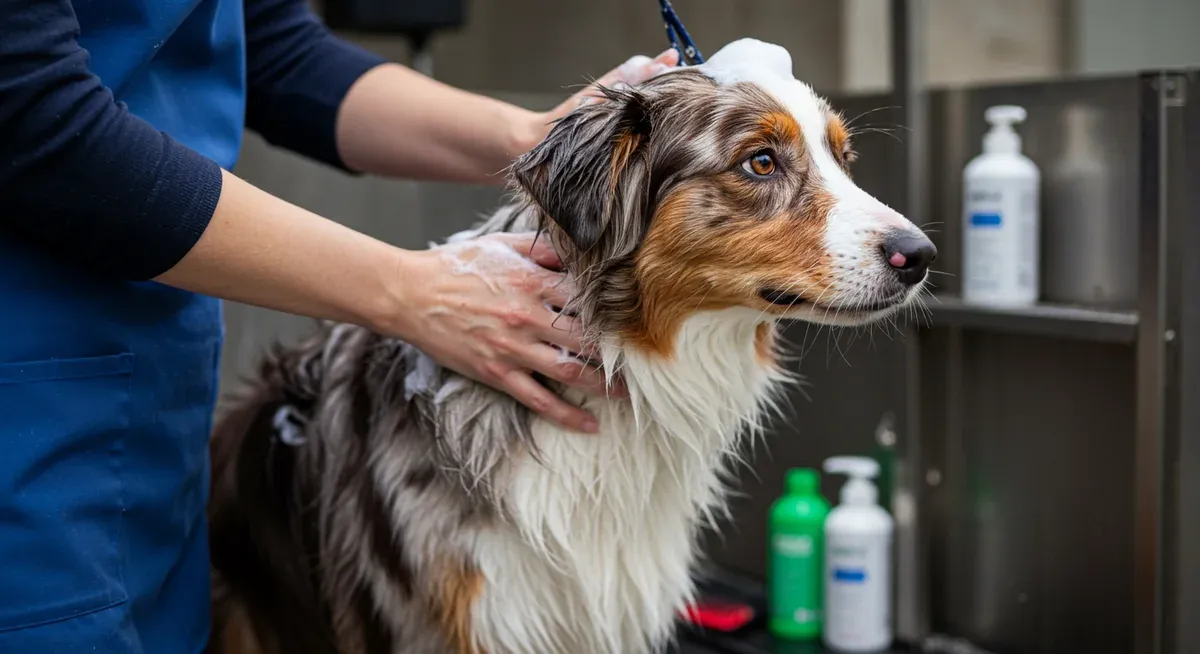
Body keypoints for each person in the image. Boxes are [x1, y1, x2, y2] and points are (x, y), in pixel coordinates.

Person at [0, 0, 678, 651]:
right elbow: (30, 115)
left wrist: (538, 141)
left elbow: (272, 47)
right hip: (28, 399)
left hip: (151, 407)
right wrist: (412, 291)